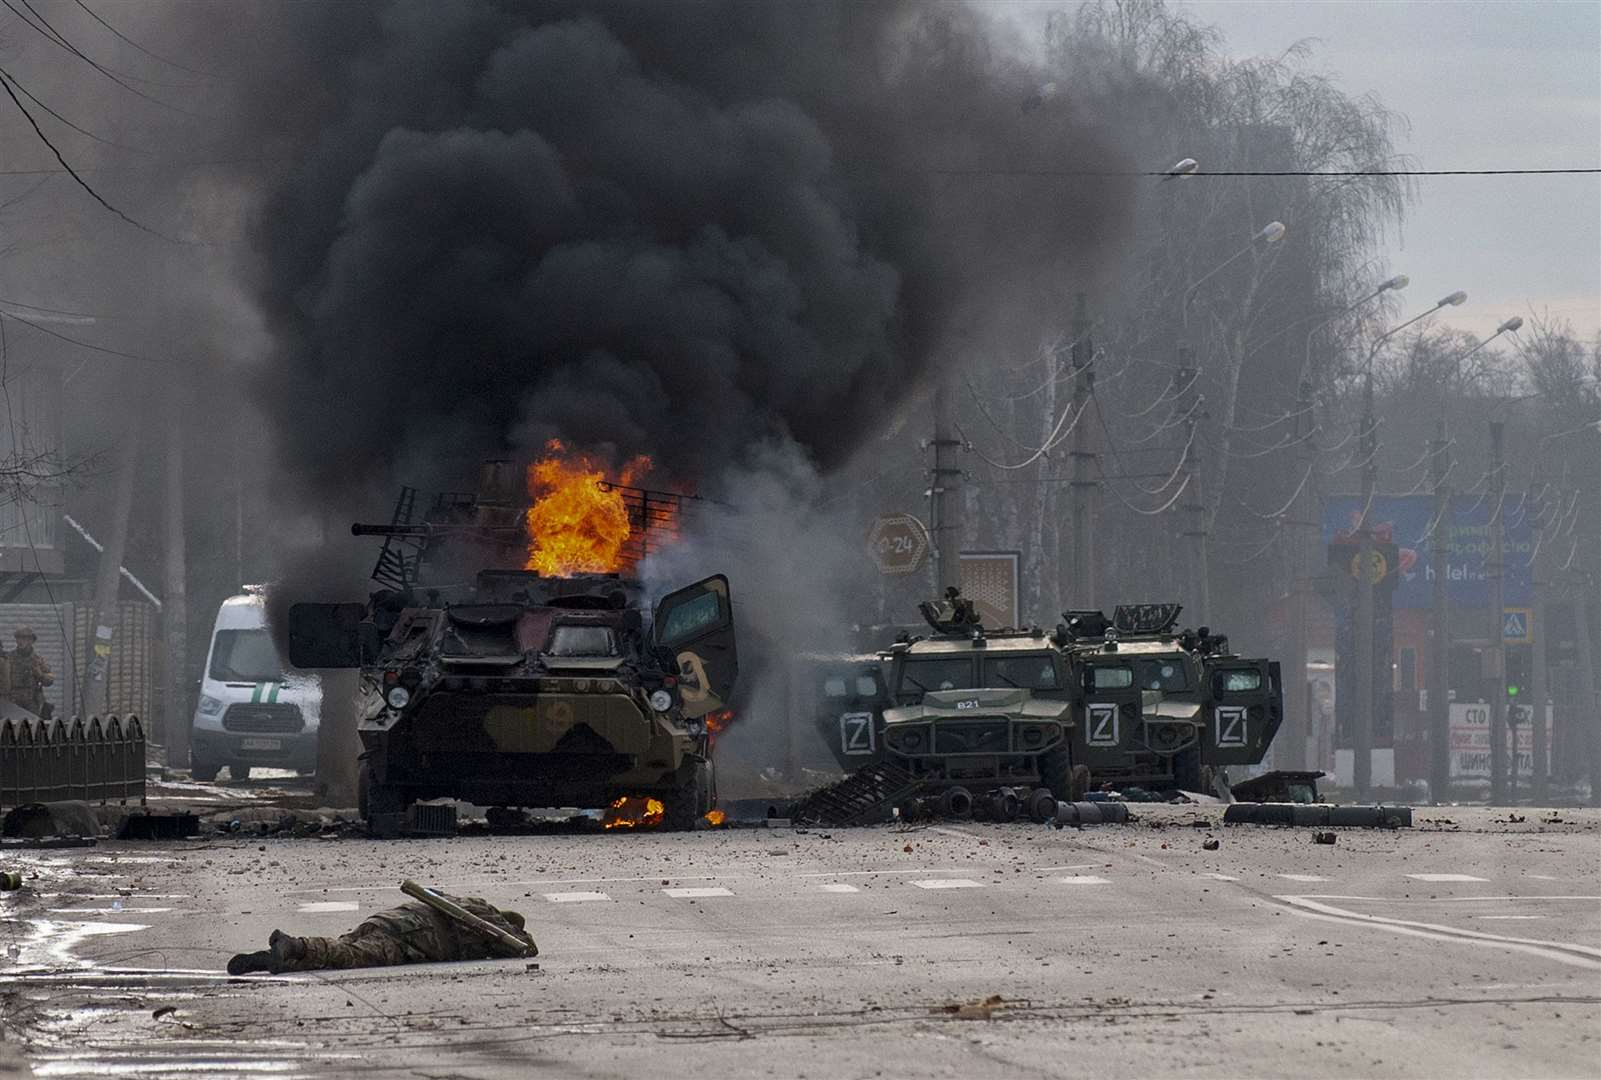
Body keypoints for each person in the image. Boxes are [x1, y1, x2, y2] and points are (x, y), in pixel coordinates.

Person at [227, 893, 535, 975]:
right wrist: (515, 933)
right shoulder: (490, 922)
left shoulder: (466, 904)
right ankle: (294, 945)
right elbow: (525, 949)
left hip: (389, 921)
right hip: (413, 936)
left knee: (342, 951)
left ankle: (276, 960)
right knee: (351, 956)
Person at [9, 628, 52, 715]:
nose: (20, 641)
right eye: (18, 638)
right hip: (13, 702)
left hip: (32, 703)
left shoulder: (38, 660)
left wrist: (39, 674)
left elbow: (49, 681)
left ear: (31, 641)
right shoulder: (9, 658)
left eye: (24, 638)